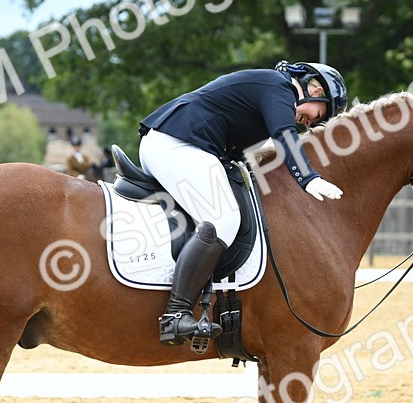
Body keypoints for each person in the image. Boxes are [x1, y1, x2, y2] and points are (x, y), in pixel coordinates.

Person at [138, 60, 347, 346]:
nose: (310, 123)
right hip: (176, 143)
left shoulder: (269, 93)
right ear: (312, 88)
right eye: (318, 113)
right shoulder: (279, 87)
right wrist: (308, 178)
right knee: (223, 219)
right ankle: (176, 314)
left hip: (178, 144)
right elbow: (285, 136)